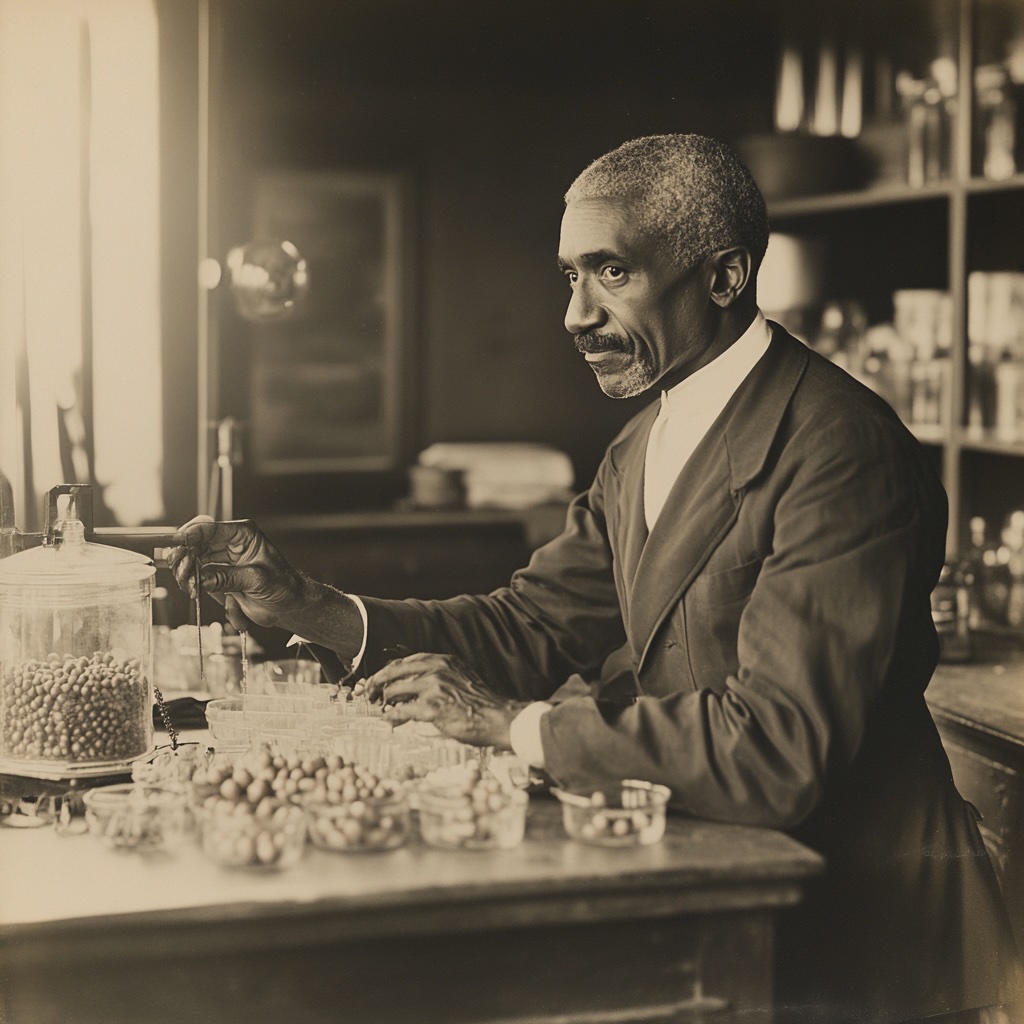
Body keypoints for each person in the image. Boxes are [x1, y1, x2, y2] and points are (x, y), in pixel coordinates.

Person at [171, 134, 1021, 1023]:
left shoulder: (840, 446)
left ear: (725, 278)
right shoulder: (649, 438)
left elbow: (777, 747)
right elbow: (528, 627)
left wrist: (516, 726)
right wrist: (307, 604)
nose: (575, 314)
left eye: (610, 273)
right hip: (745, 898)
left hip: (873, 944)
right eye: (570, 277)